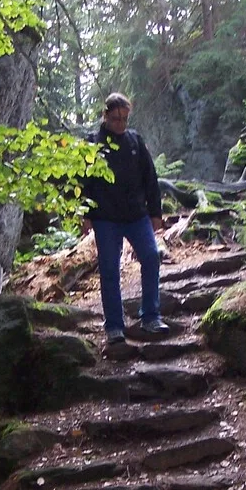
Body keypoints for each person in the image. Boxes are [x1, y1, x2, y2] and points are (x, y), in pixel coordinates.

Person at [82, 92, 170, 345]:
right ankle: (114, 326)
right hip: (105, 218)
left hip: (136, 215)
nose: (120, 123)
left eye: (124, 119)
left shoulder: (134, 141)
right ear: (105, 116)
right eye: (116, 119)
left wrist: (155, 213)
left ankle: (151, 316)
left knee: (151, 257)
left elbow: (150, 178)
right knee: (109, 270)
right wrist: (85, 215)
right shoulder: (92, 143)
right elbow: (82, 181)